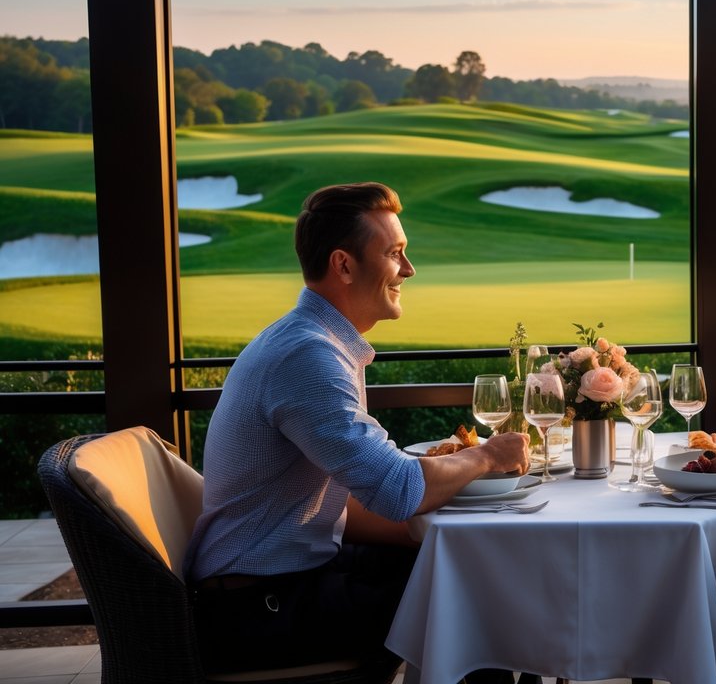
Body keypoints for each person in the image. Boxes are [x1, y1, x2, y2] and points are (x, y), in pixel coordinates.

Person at [185, 182, 530, 675]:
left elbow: (352, 498)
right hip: (258, 608)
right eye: (395, 254)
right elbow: (399, 490)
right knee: (476, 600)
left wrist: (440, 531)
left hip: (289, 578)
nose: (409, 270)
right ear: (344, 265)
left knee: (467, 571)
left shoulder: (313, 339)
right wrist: (489, 457)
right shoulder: (309, 357)